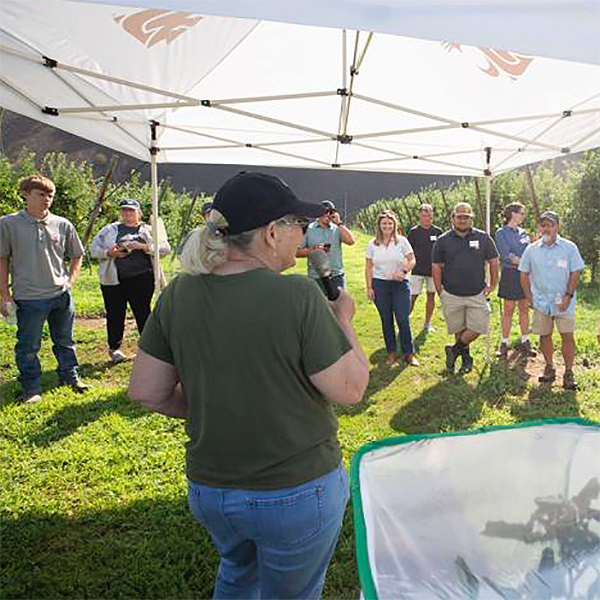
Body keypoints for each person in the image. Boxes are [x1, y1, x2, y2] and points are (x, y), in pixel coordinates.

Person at [128, 172, 369, 600]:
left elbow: (147, 391)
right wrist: (345, 322)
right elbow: (349, 389)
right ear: (272, 232)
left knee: (237, 577)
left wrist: (216, 405)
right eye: (297, 223)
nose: (302, 233)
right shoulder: (296, 295)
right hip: (294, 491)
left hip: (212, 492)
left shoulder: (178, 295)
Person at [0, 175, 89, 404]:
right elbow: (2, 260)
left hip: (61, 295)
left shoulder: (62, 223)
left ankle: (70, 377)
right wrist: (4, 295)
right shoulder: (8, 224)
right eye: (41, 194)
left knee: (65, 340)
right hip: (29, 297)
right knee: (29, 346)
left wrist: (70, 280)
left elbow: (77, 254)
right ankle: (31, 388)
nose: (46, 199)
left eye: (50, 195)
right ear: (25, 194)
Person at [90, 199, 171, 363]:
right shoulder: (110, 229)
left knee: (143, 314)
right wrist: (109, 253)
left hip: (142, 278)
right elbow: (93, 250)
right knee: (114, 314)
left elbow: (165, 249)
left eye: (131, 211)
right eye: (124, 211)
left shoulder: (149, 230)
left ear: (138, 213)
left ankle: (149, 348)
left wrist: (143, 247)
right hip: (113, 279)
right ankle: (115, 348)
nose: (127, 214)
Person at [519, 211, 585, 390]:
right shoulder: (531, 250)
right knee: (544, 335)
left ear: (557, 226)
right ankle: (549, 367)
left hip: (564, 302)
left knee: (567, 336)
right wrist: (529, 297)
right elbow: (523, 273)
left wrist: (568, 296)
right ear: (540, 228)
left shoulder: (569, 247)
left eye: (550, 224)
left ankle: (569, 372)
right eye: (543, 225)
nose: (546, 228)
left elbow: (576, 272)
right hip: (541, 302)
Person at [432, 202, 499, 374]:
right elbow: (436, 266)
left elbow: (493, 260)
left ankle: (453, 350)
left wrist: (493, 283)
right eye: (459, 216)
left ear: (471, 219)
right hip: (452, 293)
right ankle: (465, 360)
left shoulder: (484, 238)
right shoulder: (443, 240)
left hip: (477, 293)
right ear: (453, 218)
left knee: (477, 327)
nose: (462, 220)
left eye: (466, 217)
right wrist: (440, 290)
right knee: (459, 328)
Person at [365, 210, 419, 366]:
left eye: (390, 223)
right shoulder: (372, 244)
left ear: (394, 225)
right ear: (379, 226)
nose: (387, 226)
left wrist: (403, 271)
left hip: (400, 285)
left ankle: (409, 354)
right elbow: (368, 267)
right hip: (380, 284)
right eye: (384, 223)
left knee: (403, 318)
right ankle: (391, 353)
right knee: (386, 319)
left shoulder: (401, 241)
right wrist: (369, 287)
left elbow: (412, 259)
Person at [494, 202, 535, 359]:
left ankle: (525, 342)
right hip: (510, 274)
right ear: (513, 214)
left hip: (524, 275)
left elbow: (530, 252)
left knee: (524, 308)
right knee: (509, 310)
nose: (524, 216)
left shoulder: (524, 232)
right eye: (522, 213)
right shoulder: (501, 233)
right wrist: (525, 263)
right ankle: (504, 344)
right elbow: (506, 255)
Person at [296, 199, 355, 292]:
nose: (327, 215)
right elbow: (296, 252)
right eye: (324, 212)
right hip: (316, 277)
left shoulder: (337, 228)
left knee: (339, 305)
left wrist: (339, 223)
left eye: (330, 212)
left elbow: (351, 241)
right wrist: (313, 250)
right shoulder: (309, 229)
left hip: (336, 277)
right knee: (317, 306)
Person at [407, 203, 443, 332]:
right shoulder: (414, 232)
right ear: (420, 216)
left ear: (432, 216)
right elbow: (408, 251)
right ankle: (404, 322)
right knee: (412, 296)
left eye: (429, 215)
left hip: (433, 271)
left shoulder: (438, 232)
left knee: (431, 296)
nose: (427, 218)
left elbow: (442, 251)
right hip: (417, 270)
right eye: (424, 215)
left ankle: (427, 324)